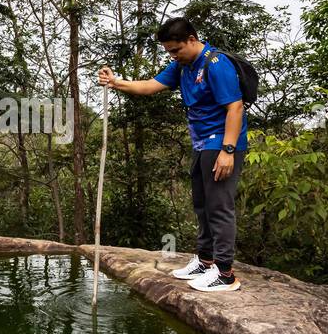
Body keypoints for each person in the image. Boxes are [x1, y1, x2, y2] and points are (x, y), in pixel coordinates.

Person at [97, 17, 247, 293]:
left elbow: (235, 108)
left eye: (176, 50)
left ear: (192, 39)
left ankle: (225, 274)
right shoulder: (183, 66)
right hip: (202, 144)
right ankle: (205, 261)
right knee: (202, 205)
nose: (173, 56)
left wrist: (228, 151)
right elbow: (150, 86)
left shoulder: (216, 64)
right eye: (169, 52)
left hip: (221, 143)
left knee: (219, 207)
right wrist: (115, 82)